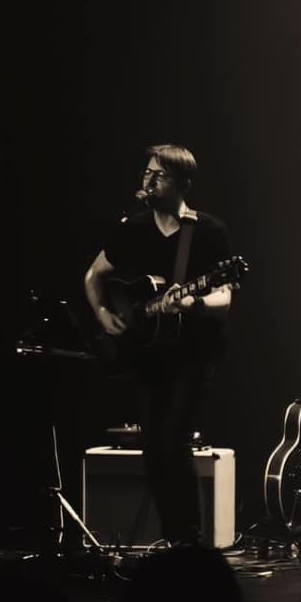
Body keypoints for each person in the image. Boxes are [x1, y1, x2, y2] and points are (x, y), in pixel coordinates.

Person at [82, 144, 236, 547]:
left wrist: (194, 301)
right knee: (153, 448)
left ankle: (188, 542)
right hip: (146, 355)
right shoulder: (132, 228)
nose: (148, 180)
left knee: (173, 441)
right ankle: (173, 539)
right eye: (146, 172)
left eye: (159, 175)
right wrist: (103, 315)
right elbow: (93, 276)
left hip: (192, 356)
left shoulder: (208, 232)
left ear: (182, 182)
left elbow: (225, 297)